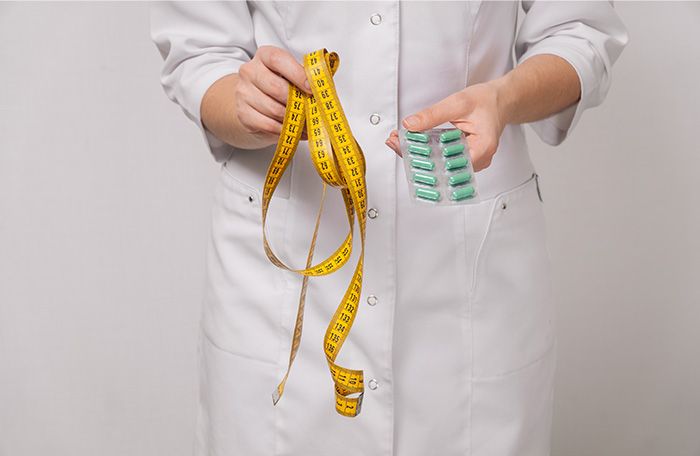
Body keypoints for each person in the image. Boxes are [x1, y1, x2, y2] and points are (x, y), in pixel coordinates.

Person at [150, 2, 628, 455]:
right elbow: (199, 50)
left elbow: (581, 28)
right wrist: (244, 103)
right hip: (282, 267)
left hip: (466, 261)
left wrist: (502, 99)